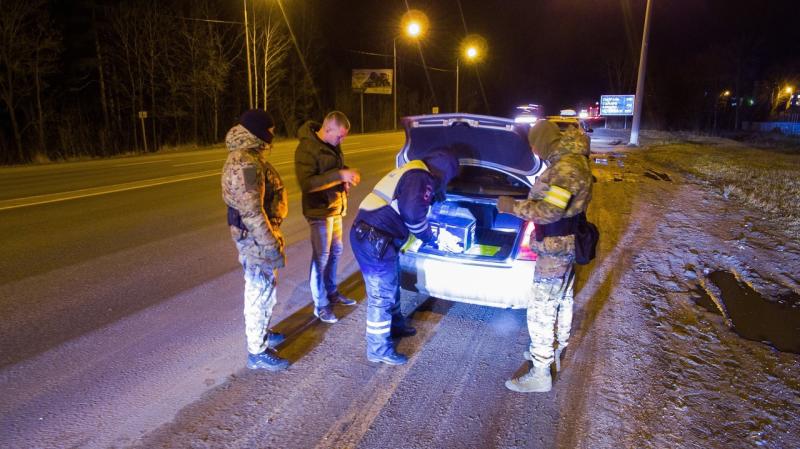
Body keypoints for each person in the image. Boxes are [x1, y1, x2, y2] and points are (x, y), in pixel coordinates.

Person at [496, 120, 593, 392]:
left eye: (534, 146)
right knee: (561, 300)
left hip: (555, 248)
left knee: (541, 307)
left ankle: (540, 372)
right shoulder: (572, 160)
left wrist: (510, 206)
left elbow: (550, 211)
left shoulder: (566, 168)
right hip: (565, 244)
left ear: (542, 143)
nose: (535, 153)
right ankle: (554, 351)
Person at [350, 150, 461, 365]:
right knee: (381, 295)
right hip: (374, 238)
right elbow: (412, 213)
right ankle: (378, 348)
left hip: (377, 237)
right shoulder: (421, 176)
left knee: (391, 285)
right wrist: (430, 238)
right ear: (443, 173)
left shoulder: (413, 170)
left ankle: (395, 325)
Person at [221, 109, 289, 371]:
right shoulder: (245, 162)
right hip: (255, 239)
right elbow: (251, 210)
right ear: (259, 131)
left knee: (265, 287)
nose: (273, 136)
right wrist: (269, 243)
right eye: (270, 131)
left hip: (256, 236)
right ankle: (257, 351)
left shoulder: (249, 155)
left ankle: (262, 331)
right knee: (258, 290)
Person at [294, 111, 361, 324]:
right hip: (318, 210)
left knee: (336, 251)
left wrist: (346, 175)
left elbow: (335, 168)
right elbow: (307, 184)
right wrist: (339, 176)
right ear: (328, 128)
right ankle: (321, 305)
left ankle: (332, 292)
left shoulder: (331, 144)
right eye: (339, 136)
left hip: (334, 207)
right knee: (321, 256)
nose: (341, 141)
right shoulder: (306, 148)